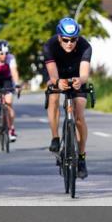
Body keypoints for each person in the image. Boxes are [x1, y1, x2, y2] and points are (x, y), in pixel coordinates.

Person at [42, 17, 92, 179]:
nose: (69, 43)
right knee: (54, 98)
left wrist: (80, 81)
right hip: (58, 75)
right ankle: (55, 137)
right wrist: (57, 82)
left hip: (77, 78)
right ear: (59, 37)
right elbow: (52, 73)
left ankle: (82, 157)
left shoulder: (85, 46)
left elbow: (84, 73)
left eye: (73, 40)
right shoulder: (49, 46)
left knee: (79, 116)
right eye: (65, 40)